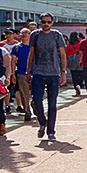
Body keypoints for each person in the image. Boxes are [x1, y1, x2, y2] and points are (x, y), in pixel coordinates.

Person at [27, 12, 67, 141]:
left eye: (48, 22)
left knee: (52, 104)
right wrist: (28, 71)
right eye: (43, 22)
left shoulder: (56, 35)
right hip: (38, 72)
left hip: (53, 73)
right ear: (40, 22)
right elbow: (31, 53)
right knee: (36, 101)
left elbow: (62, 54)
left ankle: (51, 131)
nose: (46, 24)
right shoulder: (35, 35)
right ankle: (42, 122)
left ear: (52, 23)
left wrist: (64, 72)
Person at [13, 28, 33, 121]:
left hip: (35, 73)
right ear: (19, 35)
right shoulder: (16, 47)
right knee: (24, 94)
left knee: (37, 93)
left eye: (27, 33)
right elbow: (13, 61)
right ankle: (27, 112)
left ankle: (35, 106)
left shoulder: (34, 46)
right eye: (23, 33)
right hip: (21, 73)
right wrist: (13, 74)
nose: (25, 35)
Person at [66, 32, 85, 97]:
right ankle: (80, 84)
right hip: (79, 59)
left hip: (72, 60)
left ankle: (76, 86)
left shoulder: (68, 45)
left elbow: (66, 54)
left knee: (74, 75)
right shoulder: (80, 43)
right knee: (81, 73)